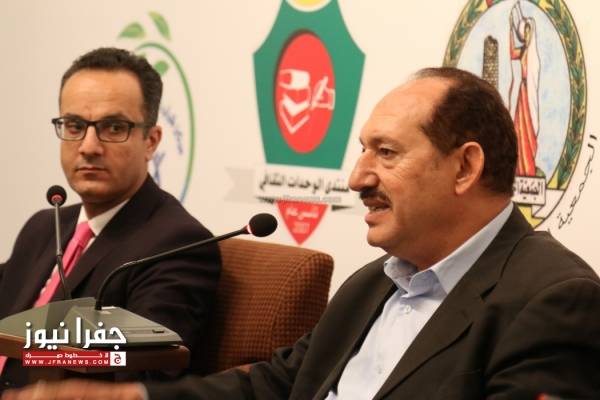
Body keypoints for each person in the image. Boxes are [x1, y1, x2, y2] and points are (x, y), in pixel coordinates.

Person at [5, 67, 600, 400]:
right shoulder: (377, 282)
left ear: (465, 168)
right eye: (363, 150)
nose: (357, 177)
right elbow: (275, 384)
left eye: (386, 153)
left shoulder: (553, 299)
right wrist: (128, 399)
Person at [0, 48, 221, 389]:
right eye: (75, 126)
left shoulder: (177, 245)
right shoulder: (44, 226)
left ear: (151, 141)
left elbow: (142, 376)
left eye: (114, 127)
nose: (88, 146)